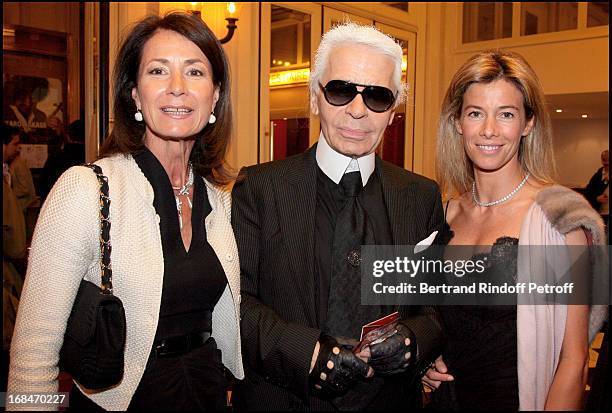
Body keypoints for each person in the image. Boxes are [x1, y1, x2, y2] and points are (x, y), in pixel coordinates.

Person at [7, 12, 243, 411]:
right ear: (135, 94)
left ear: (215, 95)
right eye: (157, 71)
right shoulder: (85, 190)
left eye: (195, 72)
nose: (177, 88)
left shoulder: (222, 203)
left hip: (205, 393)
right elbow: (33, 353)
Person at [231, 22, 445, 410]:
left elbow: (432, 306)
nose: (358, 110)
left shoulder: (421, 195)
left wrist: (413, 340)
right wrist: (307, 353)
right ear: (315, 98)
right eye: (341, 90)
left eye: (377, 96)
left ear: (393, 112)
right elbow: (235, 302)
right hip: (283, 398)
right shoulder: (260, 188)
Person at [424, 49, 608, 410]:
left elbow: (572, 363)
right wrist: (425, 360)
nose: (489, 130)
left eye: (506, 114)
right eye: (475, 113)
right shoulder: (441, 214)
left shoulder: (560, 220)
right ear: (458, 122)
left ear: (528, 124)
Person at [585, 149, 609, 224]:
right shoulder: (598, 175)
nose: (607, 162)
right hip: (602, 215)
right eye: (604, 160)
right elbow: (587, 193)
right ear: (601, 160)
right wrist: (596, 199)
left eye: (609, 159)